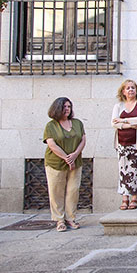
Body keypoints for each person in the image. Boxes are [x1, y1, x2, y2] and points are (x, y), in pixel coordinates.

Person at [43, 97, 85, 232]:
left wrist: (75, 155)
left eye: (69, 106)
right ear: (57, 108)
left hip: (76, 162)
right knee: (56, 191)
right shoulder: (51, 126)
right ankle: (59, 220)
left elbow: (83, 140)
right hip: (56, 163)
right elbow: (51, 144)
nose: (67, 109)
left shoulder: (77, 123)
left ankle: (70, 218)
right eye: (64, 107)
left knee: (73, 190)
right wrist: (67, 158)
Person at [111, 80, 137, 211]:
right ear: (123, 91)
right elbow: (114, 123)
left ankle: (134, 197)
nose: (131, 90)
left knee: (136, 170)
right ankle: (124, 197)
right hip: (122, 143)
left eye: (133, 88)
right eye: (128, 88)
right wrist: (130, 125)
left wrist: (124, 120)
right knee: (123, 170)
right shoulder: (118, 106)